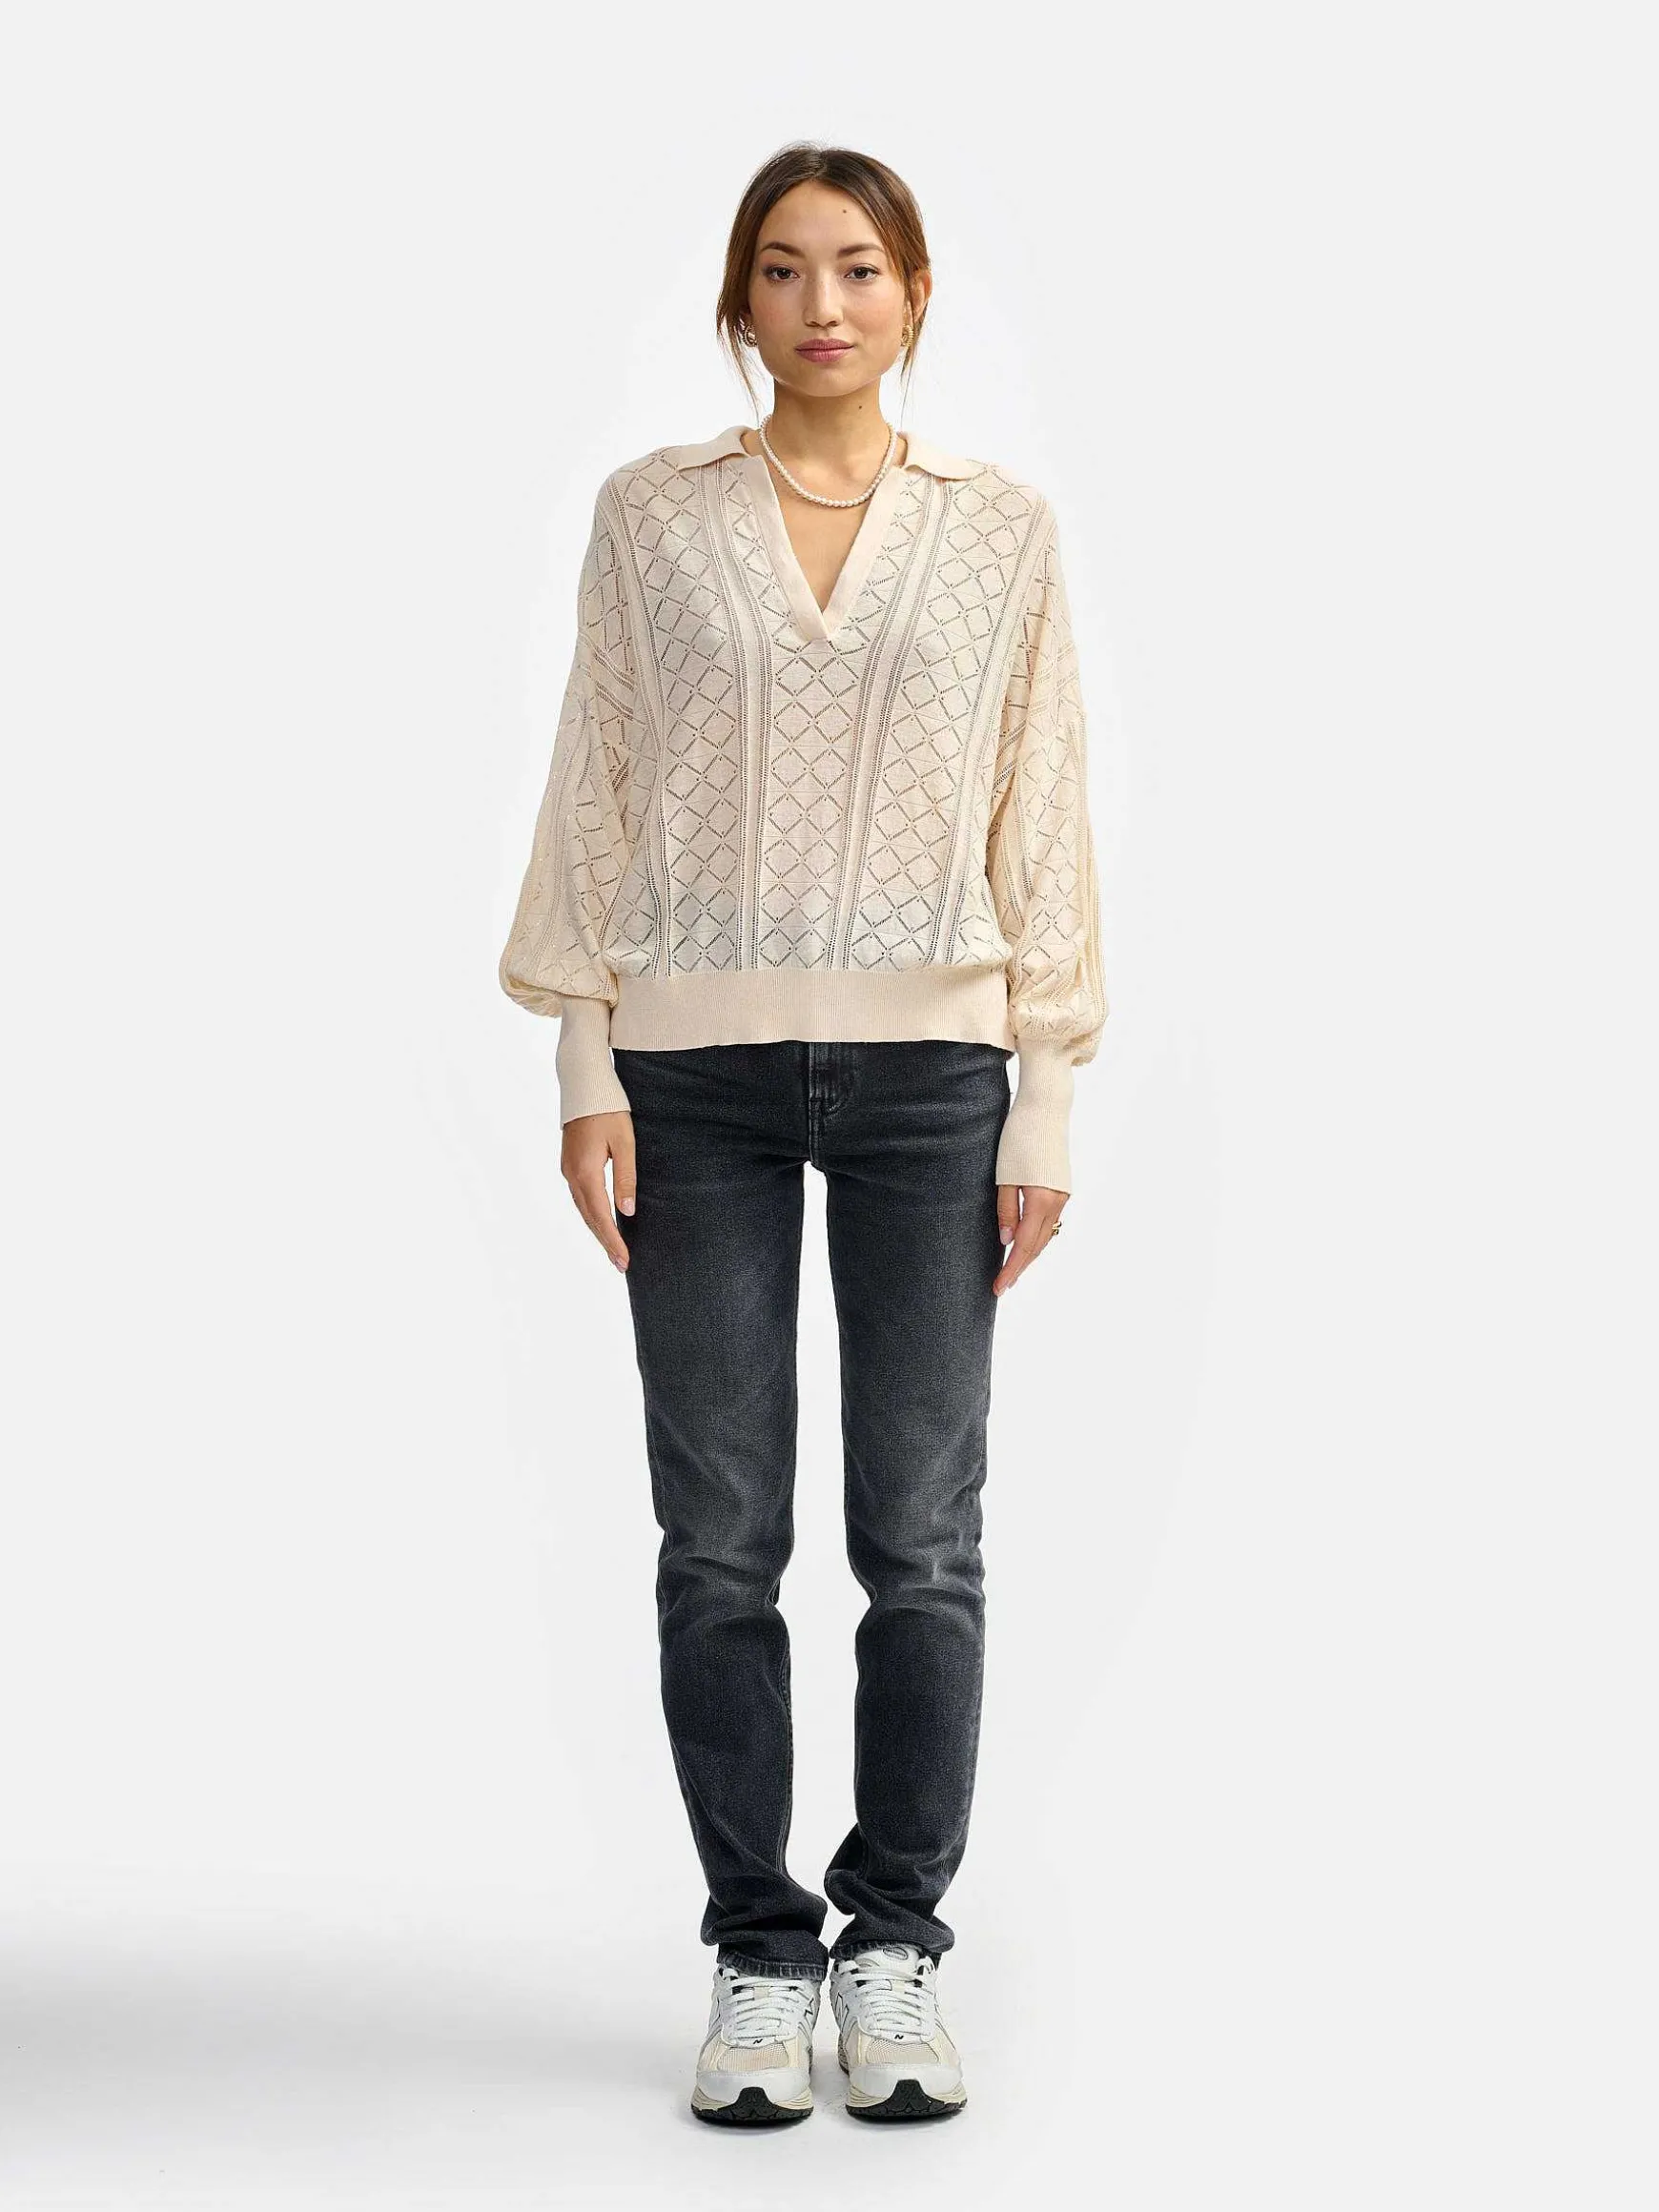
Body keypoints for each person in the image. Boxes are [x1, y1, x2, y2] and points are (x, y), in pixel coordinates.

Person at [499, 140, 1107, 2126]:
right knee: (720, 1538)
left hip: (936, 1080)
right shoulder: (652, 517)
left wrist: (1046, 1087)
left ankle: (895, 1941)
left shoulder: (999, 530)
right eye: (781, 268)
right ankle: (761, 1954)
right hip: (694, 1074)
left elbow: (1041, 801)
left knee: (920, 1534)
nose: (821, 303)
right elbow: (596, 778)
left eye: (857, 266)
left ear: (914, 292)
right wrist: (587, 1062)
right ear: (739, 302)